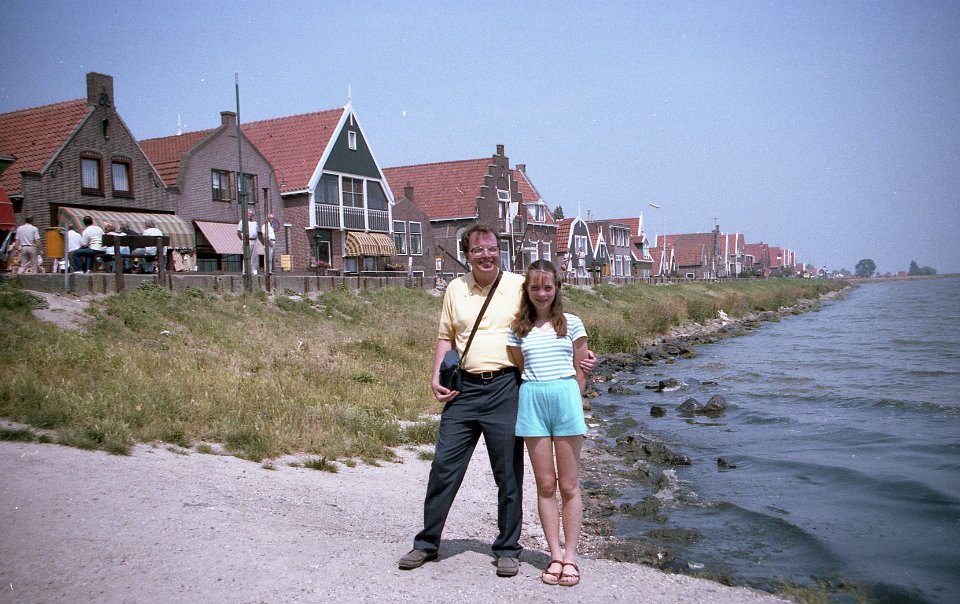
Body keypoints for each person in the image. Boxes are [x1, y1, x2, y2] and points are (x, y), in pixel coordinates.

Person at [398, 224, 595, 577]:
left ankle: (507, 548)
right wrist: (435, 376)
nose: (486, 255)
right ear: (467, 255)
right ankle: (427, 543)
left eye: (491, 248)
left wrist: (580, 360)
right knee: (444, 466)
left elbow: (548, 313)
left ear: (499, 251)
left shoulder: (519, 285)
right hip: (464, 389)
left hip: (505, 388)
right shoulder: (455, 289)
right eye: (478, 250)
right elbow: (446, 337)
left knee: (508, 472)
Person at [506, 260, 588, 587]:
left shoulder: (573, 323)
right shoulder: (517, 329)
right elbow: (520, 367)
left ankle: (571, 556)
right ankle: (554, 555)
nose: (542, 293)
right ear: (527, 290)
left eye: (548, 287)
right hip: (533, 401)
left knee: (569, 485)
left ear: (557, 289)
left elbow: (581, 369)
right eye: (535, 287)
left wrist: (573, 398)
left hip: (565, 399)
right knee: (545, 485)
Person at [236, 209, 259, 276]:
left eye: (251, 214)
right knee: (246, 255)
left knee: (254, 256)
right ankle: (245, 271)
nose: (250, 215)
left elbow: (257, 231)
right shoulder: (242, 221)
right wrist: (242, 239)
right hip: (247, 239)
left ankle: (253, 270)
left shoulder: (255, 223)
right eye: (249, 213)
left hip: (255, 239)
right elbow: (238, 232)